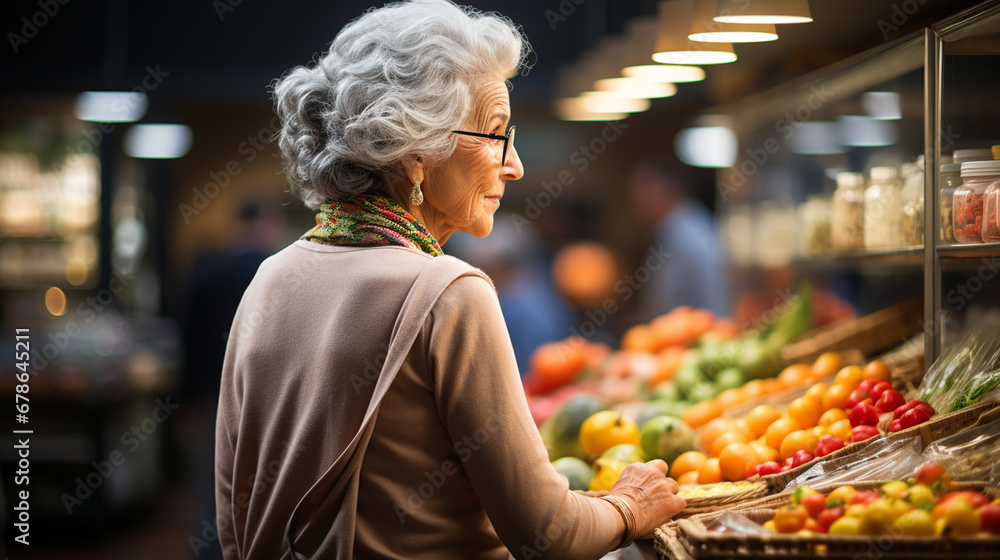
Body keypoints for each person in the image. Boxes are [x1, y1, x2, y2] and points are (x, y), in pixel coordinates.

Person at [214, 1, 685, 559]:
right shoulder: (449, 291)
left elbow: (232, 511)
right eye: (494, 134)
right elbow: (549, 534)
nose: (514, 166)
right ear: (415, 150)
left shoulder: (269, 277)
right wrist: (629, 504)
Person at [628, 162, 729, 319]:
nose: (636, 199)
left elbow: (664, 301)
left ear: (671, 190)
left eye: (645, 187)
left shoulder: (687, 233)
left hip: (695, 335)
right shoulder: (678, 227)